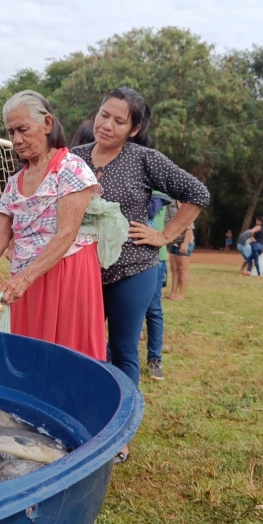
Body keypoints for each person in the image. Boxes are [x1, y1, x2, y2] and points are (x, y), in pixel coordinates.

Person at [72, 87, 209, 463]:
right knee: (82, 347)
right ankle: (83, 421)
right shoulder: (75, 157)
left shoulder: (144, 159)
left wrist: (165, 235)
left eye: (119, 121)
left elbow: (198, 193)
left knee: (123, 351)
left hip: (133, 269)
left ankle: (120, 436)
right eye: (104, 115)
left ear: (133, 129)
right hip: (82, 271)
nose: (107, 125)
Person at [0, 90, 106, 361]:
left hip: (65, 274)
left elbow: (67, 232)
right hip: (25, 278)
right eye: (11, 132)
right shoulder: (14, 183)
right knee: (29, 357)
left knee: (65, 357)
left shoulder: (71, 168)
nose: (16, 139)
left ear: (47, 124)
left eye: (23, 129)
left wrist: (24, 277)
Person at [144, 191, 171, 380]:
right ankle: (111, 355)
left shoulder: (158, 193)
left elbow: (151, 211)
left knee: (153, 311)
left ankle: (154, 360)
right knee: (121, 309)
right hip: (127, 258)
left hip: (155, 259)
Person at [165, 200, 196, 300]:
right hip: (173, 241)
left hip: (183, 242)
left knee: (182, 269)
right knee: (174, 269)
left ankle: (181, 294)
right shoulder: (166, 204)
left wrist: (185, 243)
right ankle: (172, 293)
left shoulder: (180, 204)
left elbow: (189, 226)